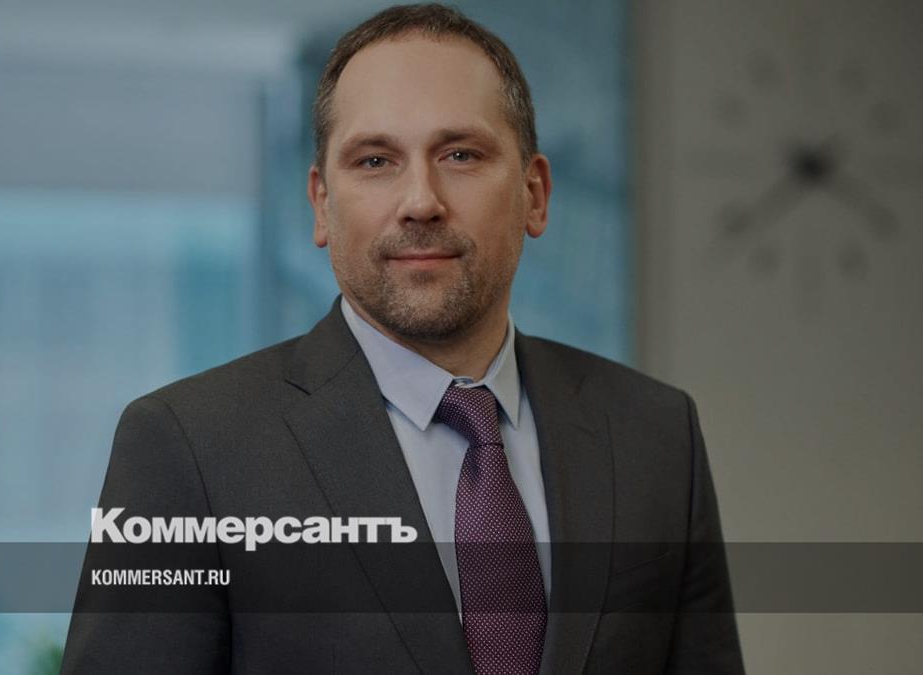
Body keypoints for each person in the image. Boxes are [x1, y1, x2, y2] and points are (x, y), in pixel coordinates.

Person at [61, 4, 745, 674]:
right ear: (321, 204)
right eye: (375, 161)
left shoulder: (657, 434)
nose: (421, 201)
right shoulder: (186, 448)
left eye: (460, 154)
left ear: (535, 194)